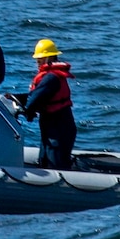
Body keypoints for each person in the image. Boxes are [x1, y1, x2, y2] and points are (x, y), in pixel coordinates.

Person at [20, 38, 76, 169]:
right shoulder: (50, 77)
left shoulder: (51, 78)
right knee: (45, 158)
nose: (37, 63)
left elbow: (33, 102)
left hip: (58, 128)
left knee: (54, 163)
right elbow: (34, 96)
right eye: (37, 60)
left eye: (40, 60)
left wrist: (24, 110)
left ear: (50, 58)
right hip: (53, 126)